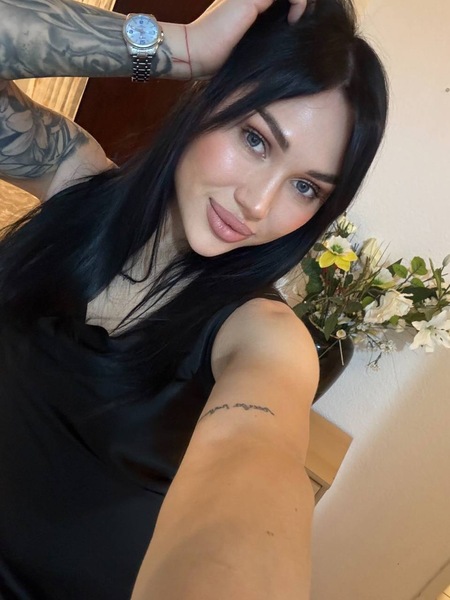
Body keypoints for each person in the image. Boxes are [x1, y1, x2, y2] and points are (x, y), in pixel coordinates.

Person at [0, 0, 388, 598]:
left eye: (305, 187)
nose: (258, 203)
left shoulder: (263, 337)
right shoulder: (74, 181)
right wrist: (183, 48)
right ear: (208, 98)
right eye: (256, 139)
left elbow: (256, 461)